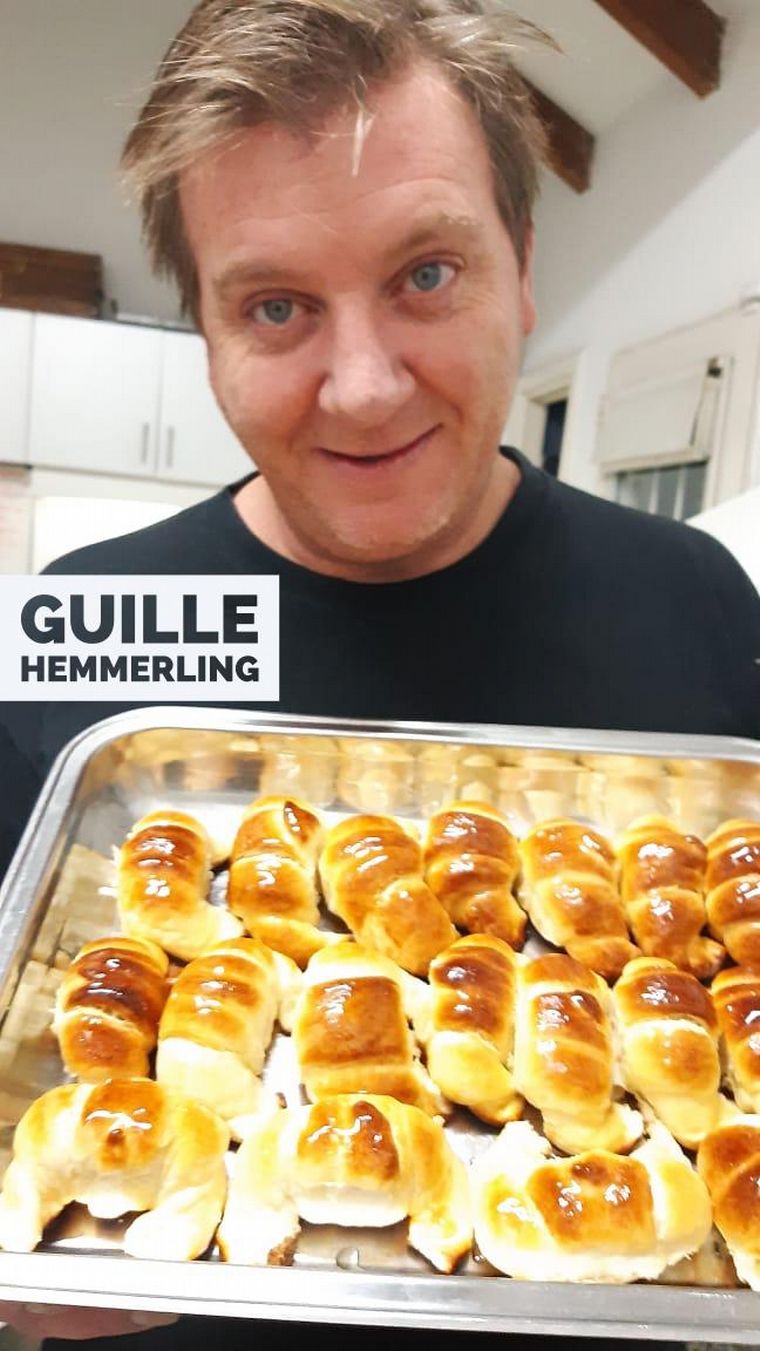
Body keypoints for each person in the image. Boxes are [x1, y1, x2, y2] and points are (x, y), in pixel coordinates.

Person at [0, 0, 758, 1346]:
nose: (361, 387)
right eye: (275, 306)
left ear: (522, 269)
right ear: (206, 332)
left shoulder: (699, 601)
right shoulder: (84, 624)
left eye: (426, 274)